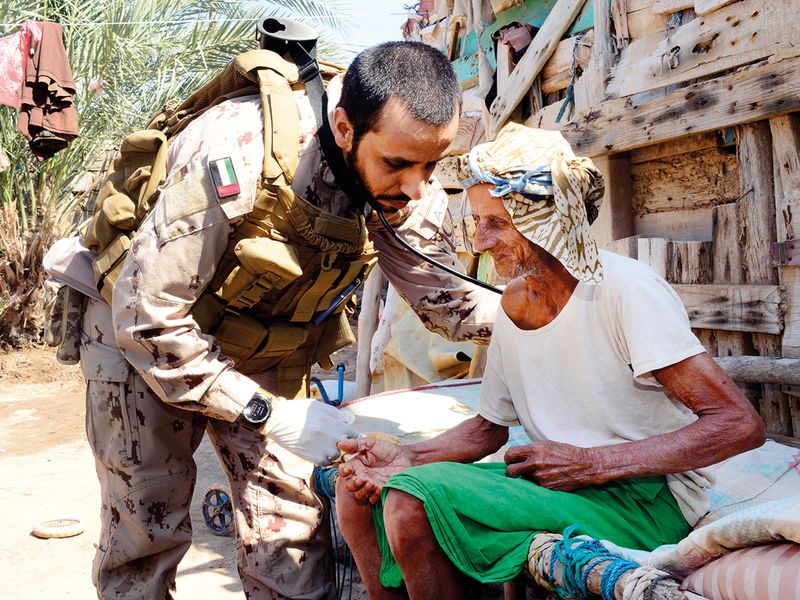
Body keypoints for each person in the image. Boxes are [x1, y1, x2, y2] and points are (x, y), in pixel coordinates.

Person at [75, 41, 500, 600]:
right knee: (146, 533)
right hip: (145, 336)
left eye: (431, 165)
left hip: (265, 344)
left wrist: (544, 311)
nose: (417, 187)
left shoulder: (407, 180)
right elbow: (148, 315)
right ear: (344, 128)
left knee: (291, 534)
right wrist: (267, 414)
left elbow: (447, 301)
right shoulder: (237, 153)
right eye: (397, 165)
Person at [335, 122, 766, 599]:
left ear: (548, 222)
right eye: (476, 222)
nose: (478, 241)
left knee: (410, 500)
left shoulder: (625, 291)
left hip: (646, 500)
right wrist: (408, 455)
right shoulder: (516, 302)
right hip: (564, 488)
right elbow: (488, 429)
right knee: (356, 492)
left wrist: (592, 463)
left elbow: (739, 425)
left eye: (495, 223)